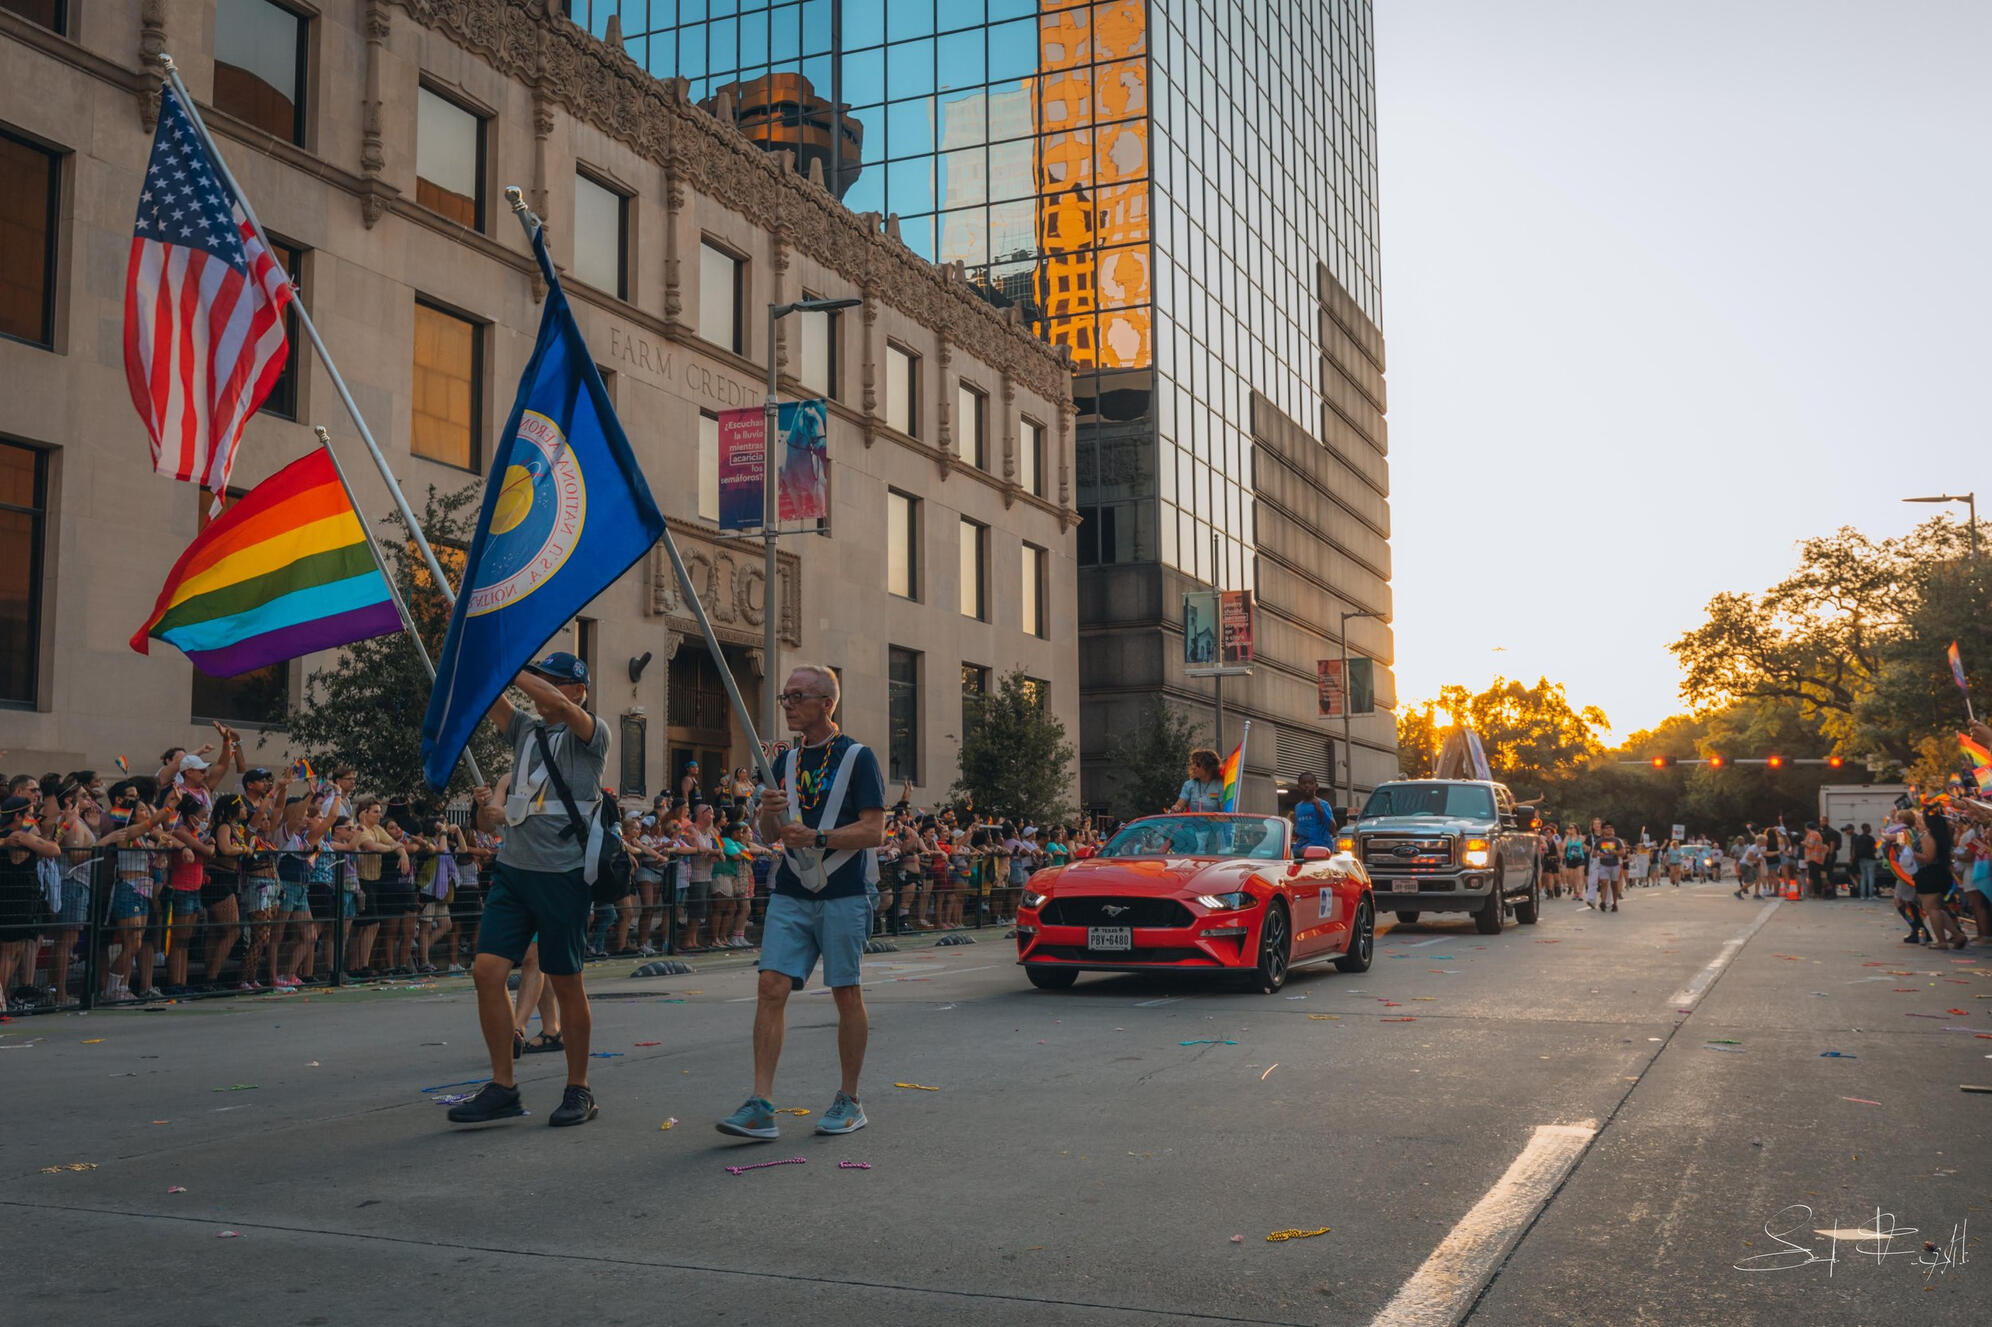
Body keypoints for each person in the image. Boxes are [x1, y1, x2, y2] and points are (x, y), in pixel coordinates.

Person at [718, 664, 886, 1142]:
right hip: (792, 888)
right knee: (771, 986)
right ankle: (760, 1103)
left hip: (843, 890)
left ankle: (849, 1099)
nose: (787, 704)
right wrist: (771, 818)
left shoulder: (857, 757)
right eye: (784, 696)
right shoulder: (785, 762)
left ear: (826, 703)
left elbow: (874, 830)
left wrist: (820, 835)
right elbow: (772, 835)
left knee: (844, 992)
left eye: (797, 696)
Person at [449, 653, 610, 1129]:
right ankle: (503, 1085)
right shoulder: (524, 730)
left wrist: (517, 669)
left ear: (578, 689)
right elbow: (489, 699)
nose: (543, 690)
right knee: (486, 971)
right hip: (514, 871)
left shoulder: (591, 733)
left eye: (555, 682)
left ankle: (578, 1088)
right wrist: (473, 659)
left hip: (563, 874)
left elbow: (554, 700)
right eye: (542, 679)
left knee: (566, 981)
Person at [1910, 806, 1968, 949]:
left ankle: (1941, 941)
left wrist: (1911, 853)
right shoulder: (1941, 833)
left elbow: (1929, 857)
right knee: (1937, 909)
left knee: (1932, 910)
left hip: (1929, 874)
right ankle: (1957, 935)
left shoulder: (1929, 836)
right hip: (1939, 873)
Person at [1290, 772, 1336, 856]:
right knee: (1288, 853)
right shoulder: (1298, 807)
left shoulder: (1322, 804)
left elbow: (1333, 829)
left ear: (1316, 786)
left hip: (1320, 845)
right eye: (1304, 783)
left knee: (1299, 853)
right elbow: (1298, 830)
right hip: (1302, 844)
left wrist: (1321, 811)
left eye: (1310, 783)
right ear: (1298, 787)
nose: (1307, 786)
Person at [1851, 823, 1879, 900]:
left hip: (1861, 860)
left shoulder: (1857, 838)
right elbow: (1875, 849)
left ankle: (1862, 895)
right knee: (1871, 877)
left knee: (1863, 877)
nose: (1870, 829)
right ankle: (1870, 895)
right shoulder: (1871, 838)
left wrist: (1853, 859)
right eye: (1869, 828)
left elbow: (1854, 849)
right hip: (1870, 859)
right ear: (1867, 828)